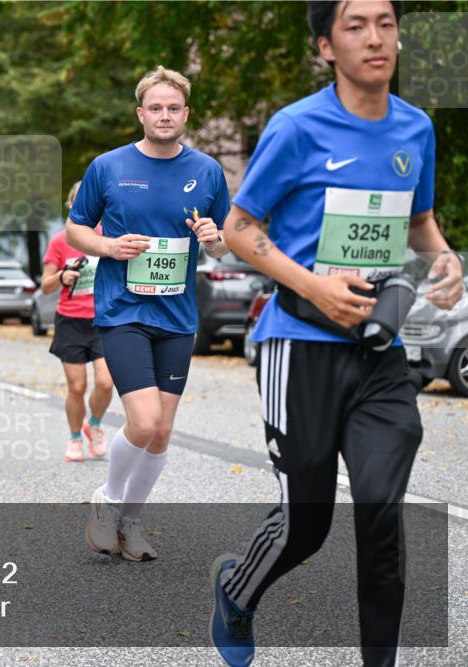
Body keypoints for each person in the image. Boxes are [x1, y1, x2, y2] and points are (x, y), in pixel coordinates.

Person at [207, 3, 465, 667]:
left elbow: (420, 220)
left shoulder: (415, 128)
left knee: (382, 514)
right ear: (326, 45)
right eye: (355, 25)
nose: (375, 37)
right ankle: (236, 591)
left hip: (379, 351)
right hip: (299, 343)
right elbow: (239, 228)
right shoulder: (296, 128)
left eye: (385, 21)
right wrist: (316, 284)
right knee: (307, 522)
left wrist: (442, 255)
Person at [67, 66, 231, 562]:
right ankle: (109, 502)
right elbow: (77, 231)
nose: (164, 115)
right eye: (155, 108)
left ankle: (131, 525)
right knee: (143, 420)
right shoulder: (109, 166)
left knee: (162, 431)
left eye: (173, 108)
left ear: (186, 114)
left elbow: (223, 245)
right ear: (140, 114)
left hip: (178, 317)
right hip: (123, 311)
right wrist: (109, 246)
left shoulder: (207, 171)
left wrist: (215, 240)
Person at [41, 182, 114, 462]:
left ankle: (93, 426)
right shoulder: (61, 241)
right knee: (77, 387)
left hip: (103, 320)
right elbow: (46, 285)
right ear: (72, 208)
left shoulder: (108, 237)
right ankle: (74, 438)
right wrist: (61, 276)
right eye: (78, 203)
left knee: (106, 383)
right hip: (70, 321)